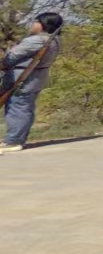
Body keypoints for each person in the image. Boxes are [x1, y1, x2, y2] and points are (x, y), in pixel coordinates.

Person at [2, 12, 63, 152]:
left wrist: (4, 62)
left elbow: (11, 57)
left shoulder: (36, 40)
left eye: (36, 22)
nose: (33, 24)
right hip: (37, 77)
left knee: (17, 108)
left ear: (43, 24)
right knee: (25, 108)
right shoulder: (56, 40)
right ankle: (16, 138)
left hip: (24, 77)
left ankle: (13, 141)